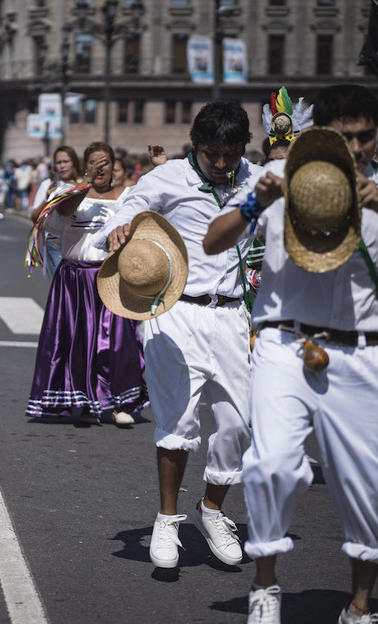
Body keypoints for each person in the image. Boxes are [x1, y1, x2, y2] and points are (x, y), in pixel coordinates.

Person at [204, 85, 378, 624]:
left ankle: (358, 606)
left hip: (361, 354)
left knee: (366, 486)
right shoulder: (270, 181)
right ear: (320, 135)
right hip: (284, 346)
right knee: (271, 466)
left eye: (363, 136)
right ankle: (266, 587)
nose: (353, 146)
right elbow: (214, 241)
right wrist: (260, 201)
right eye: (342, 136)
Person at [97, 100, 260, 571]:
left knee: (239, 423)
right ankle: (167, 519)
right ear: (196, 145)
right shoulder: (165, 179)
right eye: (212, 154)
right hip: (175, 314)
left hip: (230, 314)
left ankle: (211, 510)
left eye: (230, 154)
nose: (222, 164)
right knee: (179, 422)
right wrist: (119, 228)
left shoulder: (254, 177)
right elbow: (127, 208)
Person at [26, 142, 146, 426]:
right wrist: (85, 182)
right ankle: (84, 401)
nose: (100, 167)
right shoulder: (68, 194)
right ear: (85, 166)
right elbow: (64, 212)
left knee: (119, 342)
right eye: (94, 162)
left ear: (115, 166)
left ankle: (121, 404)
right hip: (75, 279)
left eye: (105, 162)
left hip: (113, 277)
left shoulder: (128, 197)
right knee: (77, 341)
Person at [31, 146, 83, 272]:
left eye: (66, 161)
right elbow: (34, 218)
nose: (62, 166)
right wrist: (48, 198)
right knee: (62, 287)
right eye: (59, 162)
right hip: (55, 245)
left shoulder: (84, 184)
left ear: (74, 162)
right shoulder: (47, 185)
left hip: (79, 245)